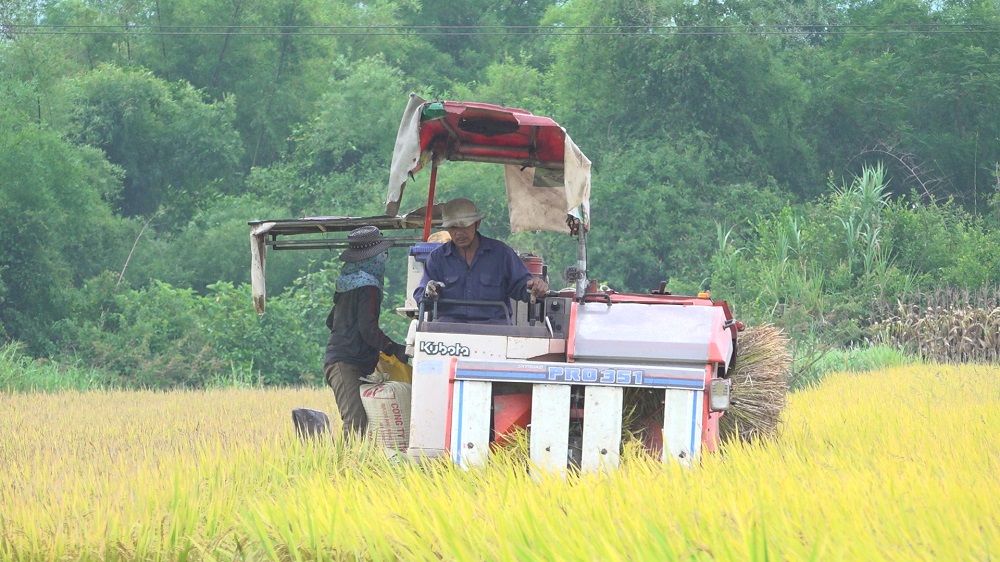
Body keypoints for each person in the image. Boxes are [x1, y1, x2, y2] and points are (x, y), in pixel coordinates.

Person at [323, 226, 408, 438]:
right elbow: (368, 329)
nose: (384, 259)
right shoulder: (368, 286)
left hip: (345, 359)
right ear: (374, 258)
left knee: (363, 422)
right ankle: (341, 470)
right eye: (382, 254)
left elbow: (330, 321)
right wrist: (393, 348)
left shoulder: (347, 284)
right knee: (355, 421)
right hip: (345, 363)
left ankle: (354, 467)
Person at [414, 198, 548, 324]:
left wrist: (534, 287)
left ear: (477, 224)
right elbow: (421, 298)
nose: (459, 233)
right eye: (454, 227)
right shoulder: (437, 259)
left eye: (465, 226)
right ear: (447, 229)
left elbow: (523, 287)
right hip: (450, 336)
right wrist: (429, 293)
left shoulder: (502, 254)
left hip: (495, 332)